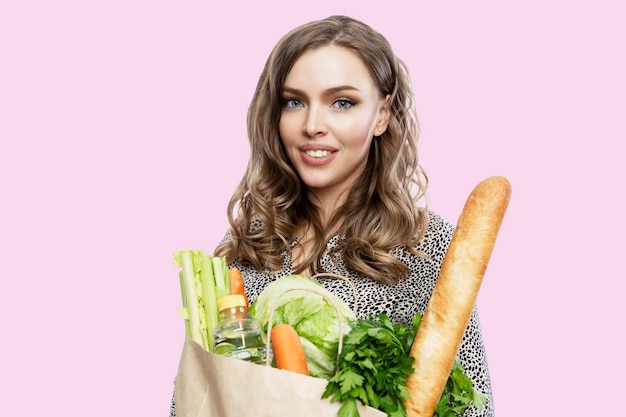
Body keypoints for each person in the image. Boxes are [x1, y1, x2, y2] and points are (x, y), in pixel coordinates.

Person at [170, 15, 494, 417]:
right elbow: (197, 395)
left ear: (382, 114)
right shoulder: (250, 240)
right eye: (294, 101)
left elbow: (470, 405)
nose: (312, 125)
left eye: (342, 102)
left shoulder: (424, 245)